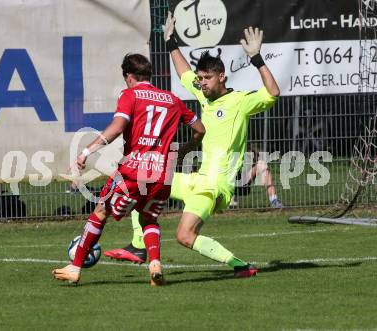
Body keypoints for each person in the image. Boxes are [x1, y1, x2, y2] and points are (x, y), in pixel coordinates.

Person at [104, 13, 280, 278]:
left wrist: (256, 59)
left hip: (215, 186)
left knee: (184, 236)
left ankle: (240, 266)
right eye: (201, 78)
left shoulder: (240, 103)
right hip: (196, 179)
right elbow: (184, 72)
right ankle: (139, 247)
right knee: (144, 181)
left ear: (221, 76)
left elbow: (273, 93)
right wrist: (171, 41)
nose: (202, 83)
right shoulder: (203, 93)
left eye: (207, 78)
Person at [52, 53, 205, 286]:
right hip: (162, 173)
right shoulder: (171, 99)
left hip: (134, 170)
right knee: (149, 217)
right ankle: (155, 265)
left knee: (100, 212)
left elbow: (117, 127)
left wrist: (85, 152)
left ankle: (75, 267)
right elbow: (200, 129)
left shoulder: (130, 94)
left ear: (128, 76)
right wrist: (186, 149)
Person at [229, 144, 283, 208]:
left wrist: (252, 157)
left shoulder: (248, 151)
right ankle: (228, 199)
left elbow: (257, 158)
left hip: (243, 182)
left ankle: (274, 200)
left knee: (262, 164)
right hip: (228, 181)